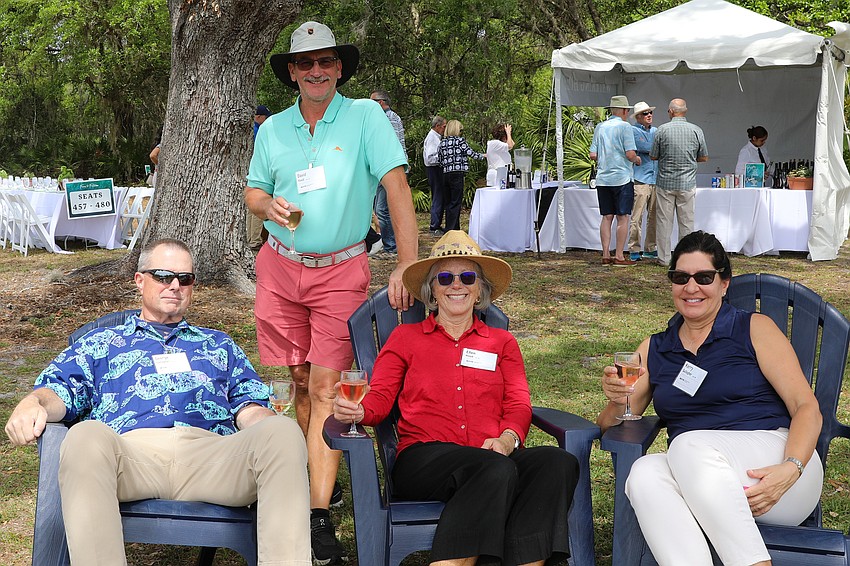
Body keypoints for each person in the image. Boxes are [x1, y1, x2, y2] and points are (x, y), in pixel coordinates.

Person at [3, 238, 310, 565]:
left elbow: (248, 406)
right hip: (131, 457)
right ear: (140, 280)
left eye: (185, 278)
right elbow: (61, 388)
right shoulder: (104, 342)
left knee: (284, 432)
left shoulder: (219, 346)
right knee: (83, 436)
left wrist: (267, 425)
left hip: (211, 458)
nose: (175, 285)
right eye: (163, 276)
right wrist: (33, 401)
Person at [244, 20, 418, 564]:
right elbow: (254, 189)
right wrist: (264, 205)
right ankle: (321, 472)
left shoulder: (367, 117)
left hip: (342, 269)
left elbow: (396, 188)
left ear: (339, 67)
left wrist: (408, 264)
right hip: (279, 267)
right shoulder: (272, 127)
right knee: (297, 380)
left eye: (325, 61)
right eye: (304, 63)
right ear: (292, 73)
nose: (315, 71)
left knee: (326, 387)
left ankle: (316, 515)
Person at [333, 230, 580, 566]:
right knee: (495, 469)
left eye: (467, 277)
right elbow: (380, 399)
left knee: (556, 462)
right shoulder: (406, 338)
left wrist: (508, 440)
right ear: (431, 290)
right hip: (425, 459)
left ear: (480, 290)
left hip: (492, 455)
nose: (456, 285)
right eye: (445, 277)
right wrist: (357, 411)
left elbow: (519, 403)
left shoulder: (501, 342)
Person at [597, 230, 823, 566]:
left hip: (777, 472)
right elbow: (608, 424)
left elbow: (807, 408)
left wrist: (792, 468)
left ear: (724, 283)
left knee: (687, 445)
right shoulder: (657, 349)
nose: (691, 288)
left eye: (704, 277)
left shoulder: (753, 328)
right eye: (680, 277)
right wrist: (617, 398)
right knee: (644, 473)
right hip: (703, 481)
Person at [651, 98, 709, 266]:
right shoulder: (696, 130)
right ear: (686, 110)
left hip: (665, 182)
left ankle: (664, 259)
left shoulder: (662, 130)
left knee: (664, 222)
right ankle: (686, 259)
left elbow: (654, 155)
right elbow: (704, 156)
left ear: (670, 111)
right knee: (686, 223)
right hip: (687, 182)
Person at [589, 95, 641, 267]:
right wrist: (637, 160)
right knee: (623, 217)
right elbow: (630, 153)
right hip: (622, 178)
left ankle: (605, 254)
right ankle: (619, 255)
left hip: (603, 178)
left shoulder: (600, 127)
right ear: (625, 111)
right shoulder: (626, 127)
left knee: (606, 217)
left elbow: (593, 154)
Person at [370, 89, 408, 257]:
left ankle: (391, 247)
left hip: (388, 170)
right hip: (386, 169)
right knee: (384, 210)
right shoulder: (393, 117)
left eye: (371, 101)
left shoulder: (387, 119)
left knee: (383, 210)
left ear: (380, 103)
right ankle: (391, 244)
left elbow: (386, 146)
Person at [438, 120, 486, 232]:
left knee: (449, 202)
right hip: (457, 173)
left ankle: (454, 227)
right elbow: (470, 153)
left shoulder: (442, 143)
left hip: (446, 173)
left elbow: (439, 160)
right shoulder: (460, 141)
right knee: (456, 202)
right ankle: (451, 229)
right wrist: (483, 156)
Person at [628, 101, 658, 262]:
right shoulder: (632, 131)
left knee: (653, 216)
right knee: (637, 216)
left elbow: (653, 148)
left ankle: (650, 247)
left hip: (655, 178)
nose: (649, 116)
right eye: (645, 113)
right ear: (638, 117)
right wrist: (654, 148)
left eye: (650, 113)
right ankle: (634, 248)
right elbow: (647, 147)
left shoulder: (656, 130)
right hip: (640, 179)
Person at [247, 105, 274, 251]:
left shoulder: (252, 129)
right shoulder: (259, 131)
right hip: (258, 172)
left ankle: (250, 237)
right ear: (258, 117)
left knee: (251, 209)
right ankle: (255, 240)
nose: (267, 119)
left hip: (249, 171)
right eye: (265, 117)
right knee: (259, 202)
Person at [424, 115, 448, 236]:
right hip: (434, 169)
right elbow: (430, 157)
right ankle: (434, 226)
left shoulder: (436, 137)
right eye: (444, 127)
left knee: (440, 196)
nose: (445, 129)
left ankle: (437, 224)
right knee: (438, 196)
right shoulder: (433, 138)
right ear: (437, 126)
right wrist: (445, 158)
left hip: (436, 169)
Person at [486, 122, 515, 187]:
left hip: (502, 175)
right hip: (496, 175)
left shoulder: (501, 146)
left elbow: (512, 144)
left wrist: (508, 134)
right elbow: (510, 145)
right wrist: (508, 133)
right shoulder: (495, 143)